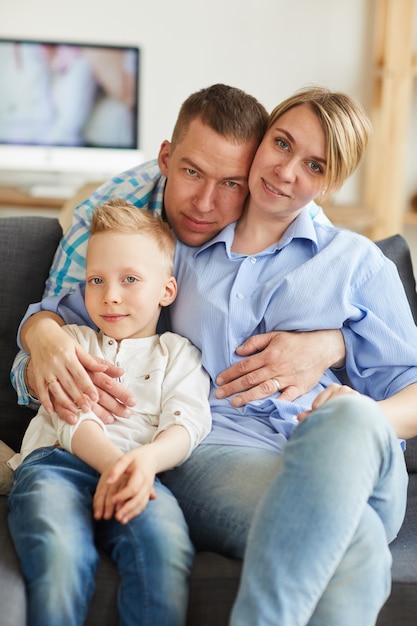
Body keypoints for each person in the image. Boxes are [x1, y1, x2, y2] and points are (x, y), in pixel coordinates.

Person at [13, 85, 417, 625]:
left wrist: (352, 385)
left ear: (334, 181)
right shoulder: (183, 251)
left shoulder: (360, 264)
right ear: (260, 146)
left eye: (315, 164)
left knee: (345, 418)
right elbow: (73, 314)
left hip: (351, 453)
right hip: (225, 453)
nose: (286, 170)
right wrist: (39, 333)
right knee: (357, 541)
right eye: (281, 144)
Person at [11, 83, 346, 428]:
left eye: (231, 183)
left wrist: (333, 344)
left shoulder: (286, 213)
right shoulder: (106, 219)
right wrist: (43, 340)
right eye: (192, 172)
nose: (204, 204)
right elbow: (42, 347)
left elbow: (358, 313)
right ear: (166, 159)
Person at [7, 200, 211, 626]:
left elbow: (188, 423)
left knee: (165, 544)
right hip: (55, 466)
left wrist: (144, 464)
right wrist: (118, 466)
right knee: (60, 549)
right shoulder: (73, 342)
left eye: (130, 279)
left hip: (139, 472)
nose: (110, 295)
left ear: (167, 291)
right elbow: (68, 417)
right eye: (96, 280)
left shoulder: (178, 354)